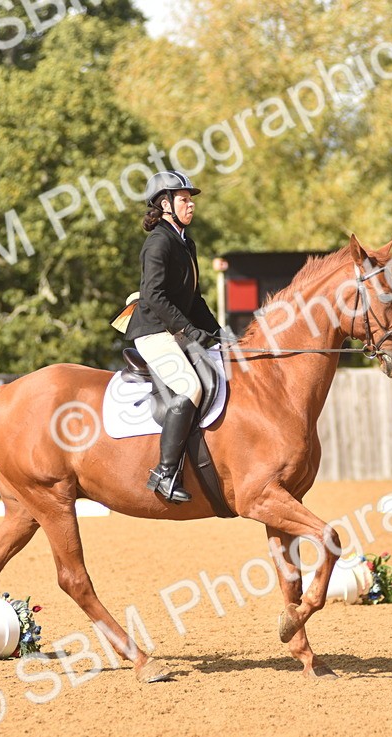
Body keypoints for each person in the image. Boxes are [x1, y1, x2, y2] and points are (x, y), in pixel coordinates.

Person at [124, 171, 222, 503]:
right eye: (184, 199)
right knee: (190, 387)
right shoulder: (159, 242)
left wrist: (219, 334)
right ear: (165, 204)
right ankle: (164, 474)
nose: (191, 205)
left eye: (190, 199)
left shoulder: (185, 242)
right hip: (154, 331)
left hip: (174, 331)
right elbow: (153, 296)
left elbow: (195, 300)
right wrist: (189, 331)